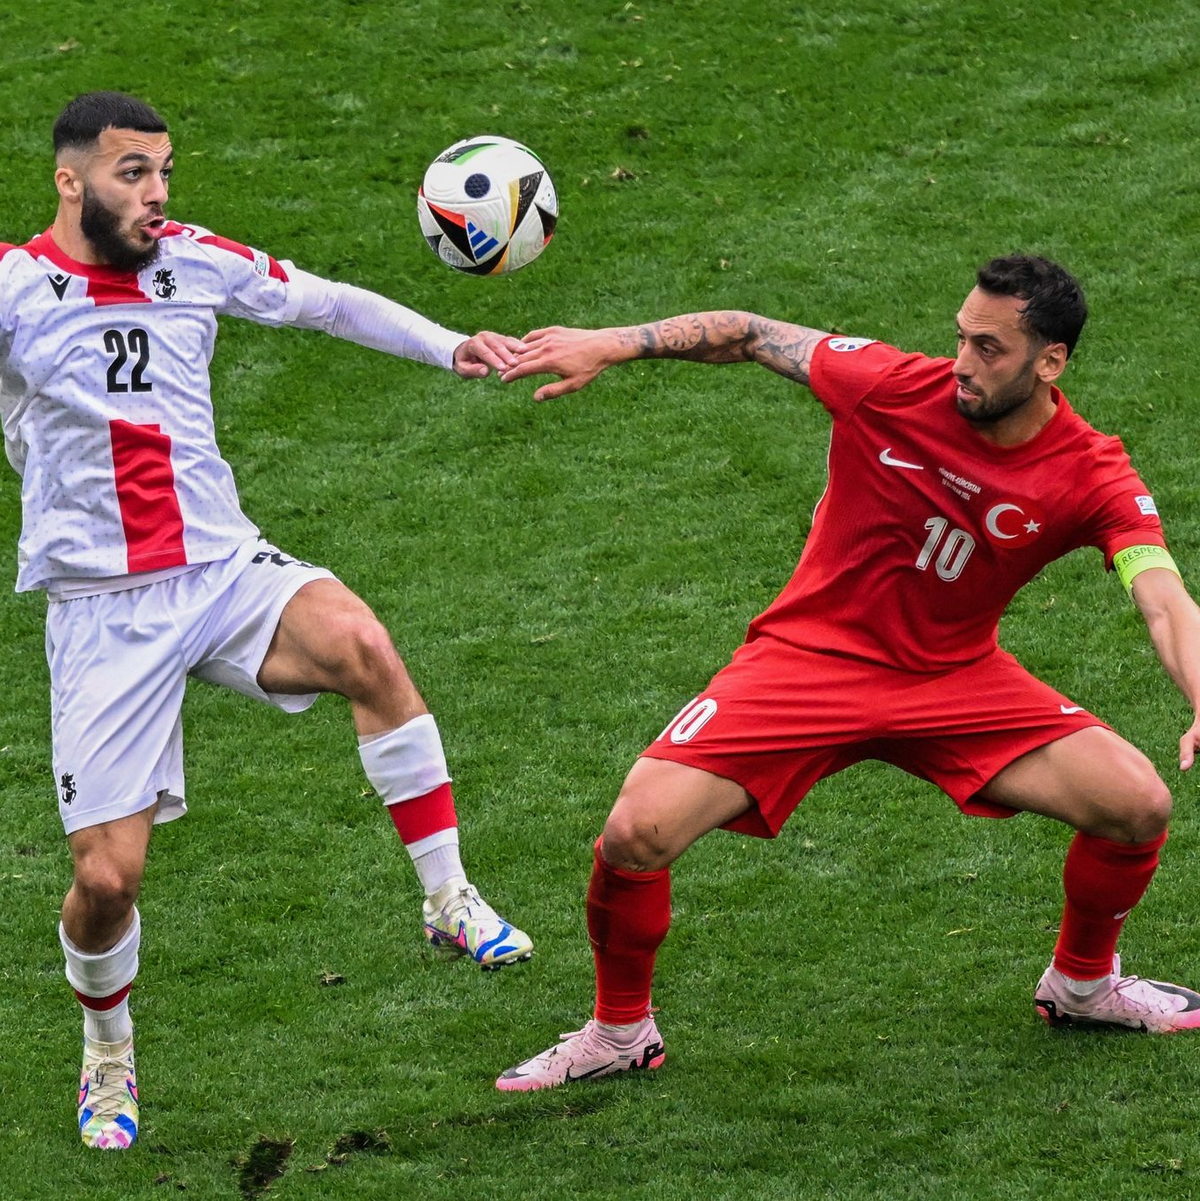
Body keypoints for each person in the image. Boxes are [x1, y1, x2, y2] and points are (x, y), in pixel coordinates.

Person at [494, 254, 1200, 1091]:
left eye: (989, 349)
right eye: (960, 339)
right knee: (635, 832)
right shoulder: (891, 385)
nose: (963, 366)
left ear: (1050, 361)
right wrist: (611, 343)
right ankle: (619, 1032)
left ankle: (1082, 985)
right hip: (808, 662)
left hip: (954, 679)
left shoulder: (1090, 472)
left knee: (1137, 802)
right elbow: (750, 334)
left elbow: (1162, 596)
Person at [0, 91, 534, 1150]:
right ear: (69, 182)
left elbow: (327, 303)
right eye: (131, 175)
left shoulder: (195, 259)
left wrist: (449, 346)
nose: (156, 194)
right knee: (107, 881)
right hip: (102, 611)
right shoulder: (14, 292)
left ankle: (448, 896)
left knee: (363, 647)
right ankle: (109, 1050)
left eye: (163, 172)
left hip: (221, 568)